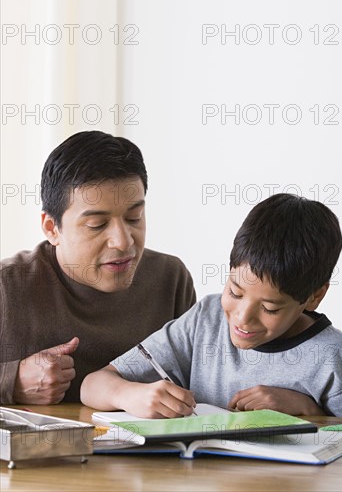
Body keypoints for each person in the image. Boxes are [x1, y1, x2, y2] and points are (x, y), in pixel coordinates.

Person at [81, 194, 342, 418]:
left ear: (314, 297)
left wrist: (310, 411)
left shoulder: (335, 362)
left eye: (269, 308)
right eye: (235, 292)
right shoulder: (206, 319)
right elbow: (92, 385)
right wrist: (128, 395)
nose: (243, 318)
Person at [0, 131, 196, 405]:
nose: (123, 241)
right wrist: (12, 382)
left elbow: (199, 383)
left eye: (134, 218)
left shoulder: (170, 279)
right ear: (51, 228)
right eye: (97, 225)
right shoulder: (7, 287)